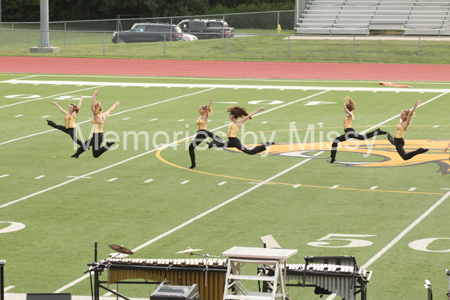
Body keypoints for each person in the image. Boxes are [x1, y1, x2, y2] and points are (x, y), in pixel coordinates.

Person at [330, 96, 387, 163]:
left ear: (347, 109)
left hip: (350, 132)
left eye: (344, 109)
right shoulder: (347, 116)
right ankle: (377, 131)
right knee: (362, 137)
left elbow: (350, 114)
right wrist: (346, 109)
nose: (344, 110)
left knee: (336, 141)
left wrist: (346, 109)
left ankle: (333, 157)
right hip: (349, 132)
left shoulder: (351, 116)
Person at [71, 90, 119, 158]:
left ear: (96, 109)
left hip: (97, 136)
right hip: (99, 135)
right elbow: (110, 110)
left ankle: (107, 145)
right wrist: (115, 104)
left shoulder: (97, 116)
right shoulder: (104, 115)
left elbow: (91, 105)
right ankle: (77, 154)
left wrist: (94, 95)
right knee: (85, 145)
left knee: (95, 154)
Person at [207, 106, 273, 155]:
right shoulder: (233, 123)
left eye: (230, 116)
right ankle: (211, 144)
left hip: (235, 142)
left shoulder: (238, 122)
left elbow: (249, 115)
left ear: (233, 116)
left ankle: (265, 145)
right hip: (231, 141)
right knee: (219, 145)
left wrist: (258, 110)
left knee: (250, 152)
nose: (229, 117)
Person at [188, 95, 224, 169]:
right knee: (191, 148)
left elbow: (207, 110)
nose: (199, 110)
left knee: (191, 147)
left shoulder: (205, 116)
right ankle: (214, 142)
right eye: (199, 109)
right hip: (200, 134)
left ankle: (193, 164)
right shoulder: (200, 117)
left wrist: (210, 101)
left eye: (200, 109)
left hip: (202, 133)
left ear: (204, 110)